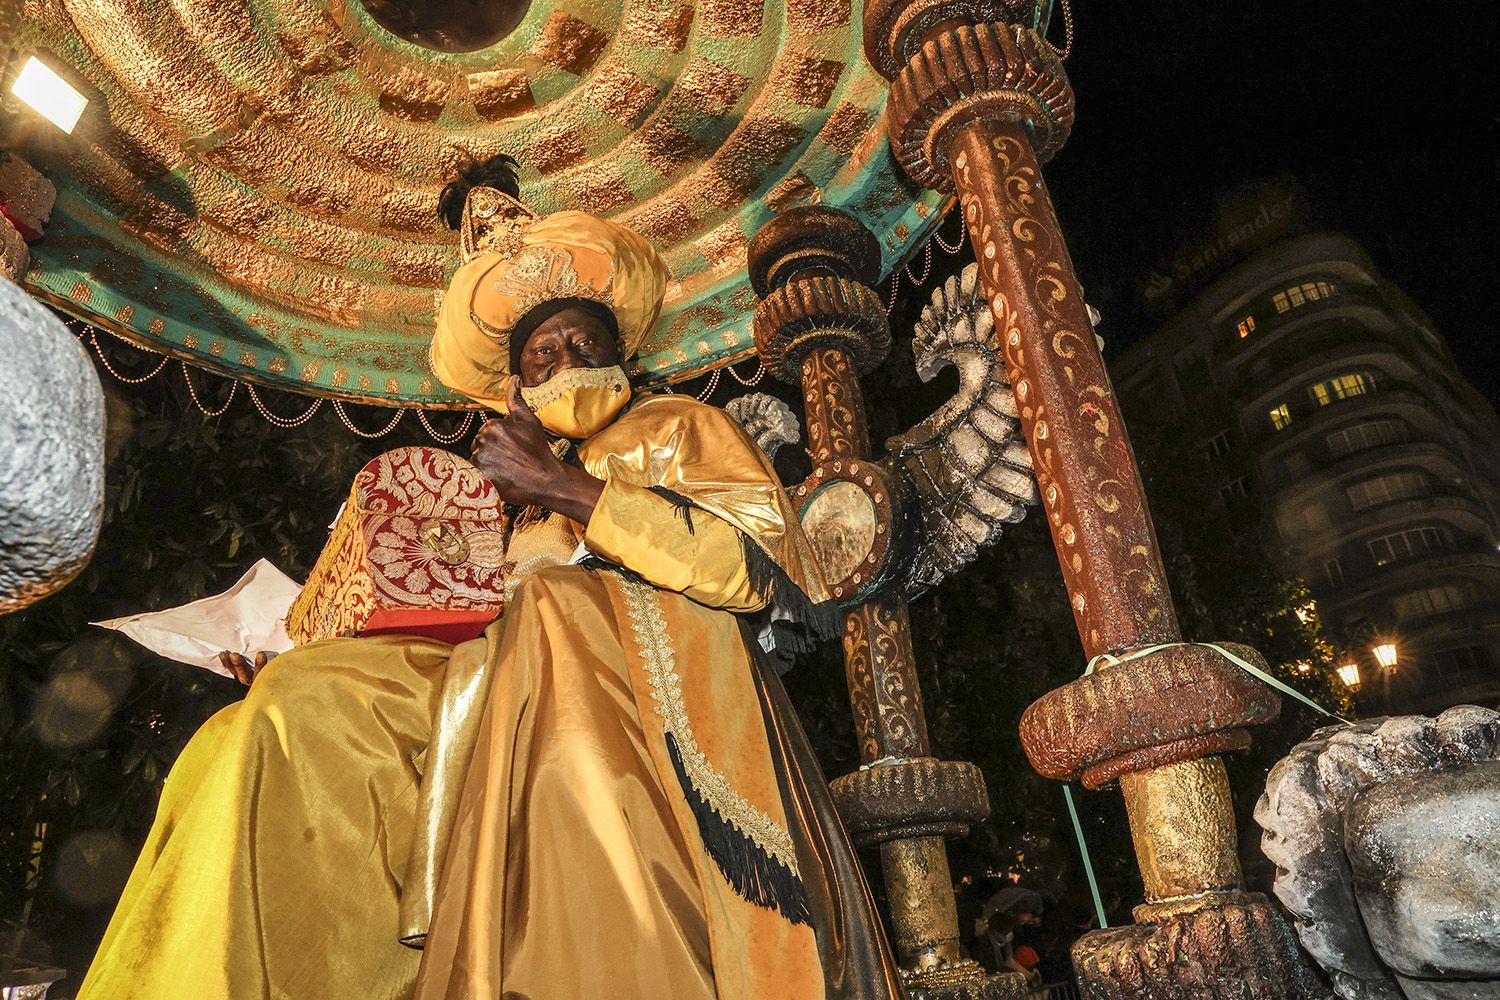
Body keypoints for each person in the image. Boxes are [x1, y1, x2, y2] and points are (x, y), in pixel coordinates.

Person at [77, 156, 900, 1000]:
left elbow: (761, 573)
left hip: (630, 685)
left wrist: (569, 490)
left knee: (554, 605)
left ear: (625, 351)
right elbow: (452, 617)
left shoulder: (681, 424)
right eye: (543, 352)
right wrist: (303, 644)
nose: (565, 358)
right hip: (477, 679)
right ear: (517, 382)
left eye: (586, 340)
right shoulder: (500, 501)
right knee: (283, 713)